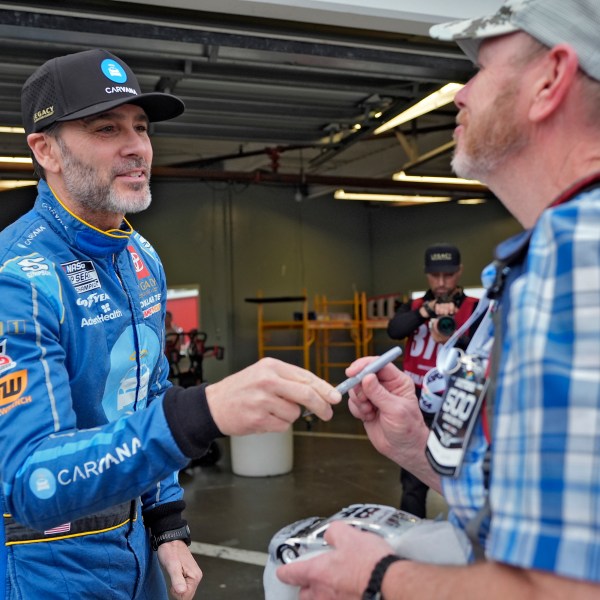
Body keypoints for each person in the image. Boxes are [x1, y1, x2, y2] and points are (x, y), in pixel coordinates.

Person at [277, 0, 600, 597]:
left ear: (551, 80)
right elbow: (539, 529)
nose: (459, 94)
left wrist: (377, 578)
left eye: (480, 67)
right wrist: (419, 449)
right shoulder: (550, 254)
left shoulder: (582, 260)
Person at [0, 48, 340, 599]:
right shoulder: (19, 277)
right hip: (47, 564)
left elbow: (147, 393)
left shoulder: (141, 258)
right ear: (46, 150)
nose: (136, 147)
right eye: (107, 128)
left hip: (137, 546)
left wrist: (168, 527)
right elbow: (30, 481)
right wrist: (203, 412)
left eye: (141, 127)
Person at [387, 243, 478, 517]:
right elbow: (394, 330)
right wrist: (424, 313)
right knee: (413, 480)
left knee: (464, 477)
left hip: (458, 403)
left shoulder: (475, 307)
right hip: (417, 401)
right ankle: (413, 541)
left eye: (448, 275)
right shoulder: (414, 306)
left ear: (459, 272)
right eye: (435, 275)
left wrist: (454, 339)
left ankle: (467, 541)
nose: (441, 282)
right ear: (427, 274)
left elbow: (485, 349)